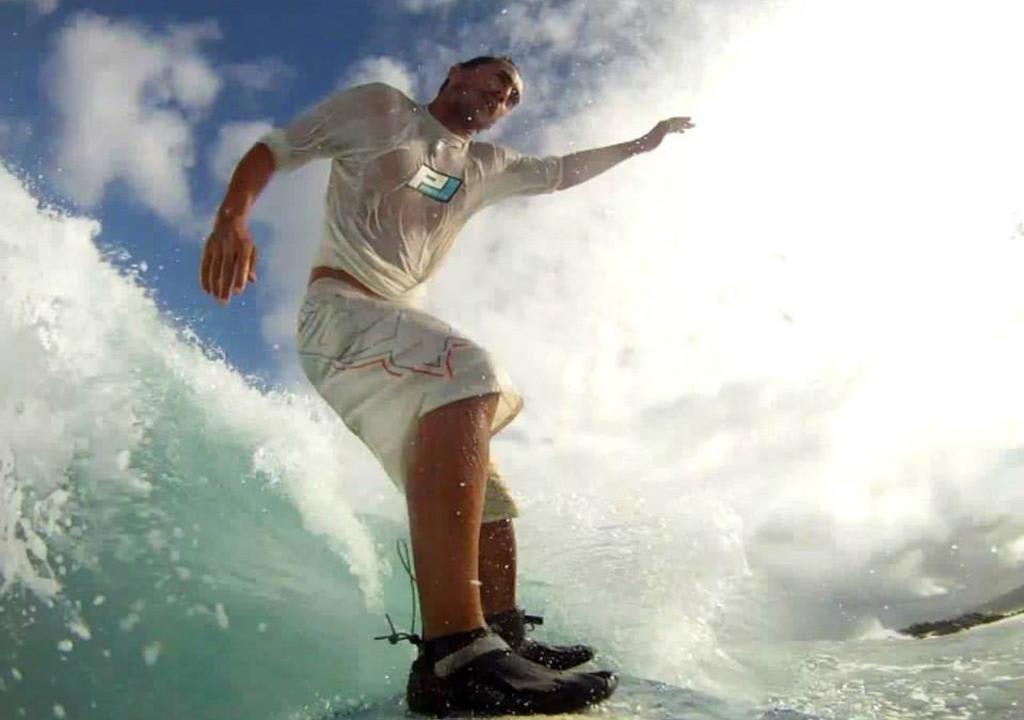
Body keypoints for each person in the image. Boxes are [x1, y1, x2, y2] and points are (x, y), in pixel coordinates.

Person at [200, 55, 694, 716]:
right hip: (342, 316)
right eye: (497, 80)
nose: (504, 95)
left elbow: (559, 171)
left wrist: (640, 144)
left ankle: (503, 637)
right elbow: (276, 149)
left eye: (512, 96)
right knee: (472, 370)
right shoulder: (381, 110)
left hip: (395, 332)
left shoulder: (483, 166)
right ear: (457, 73)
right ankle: (454, 654)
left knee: (486, 488)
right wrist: (232, 218)